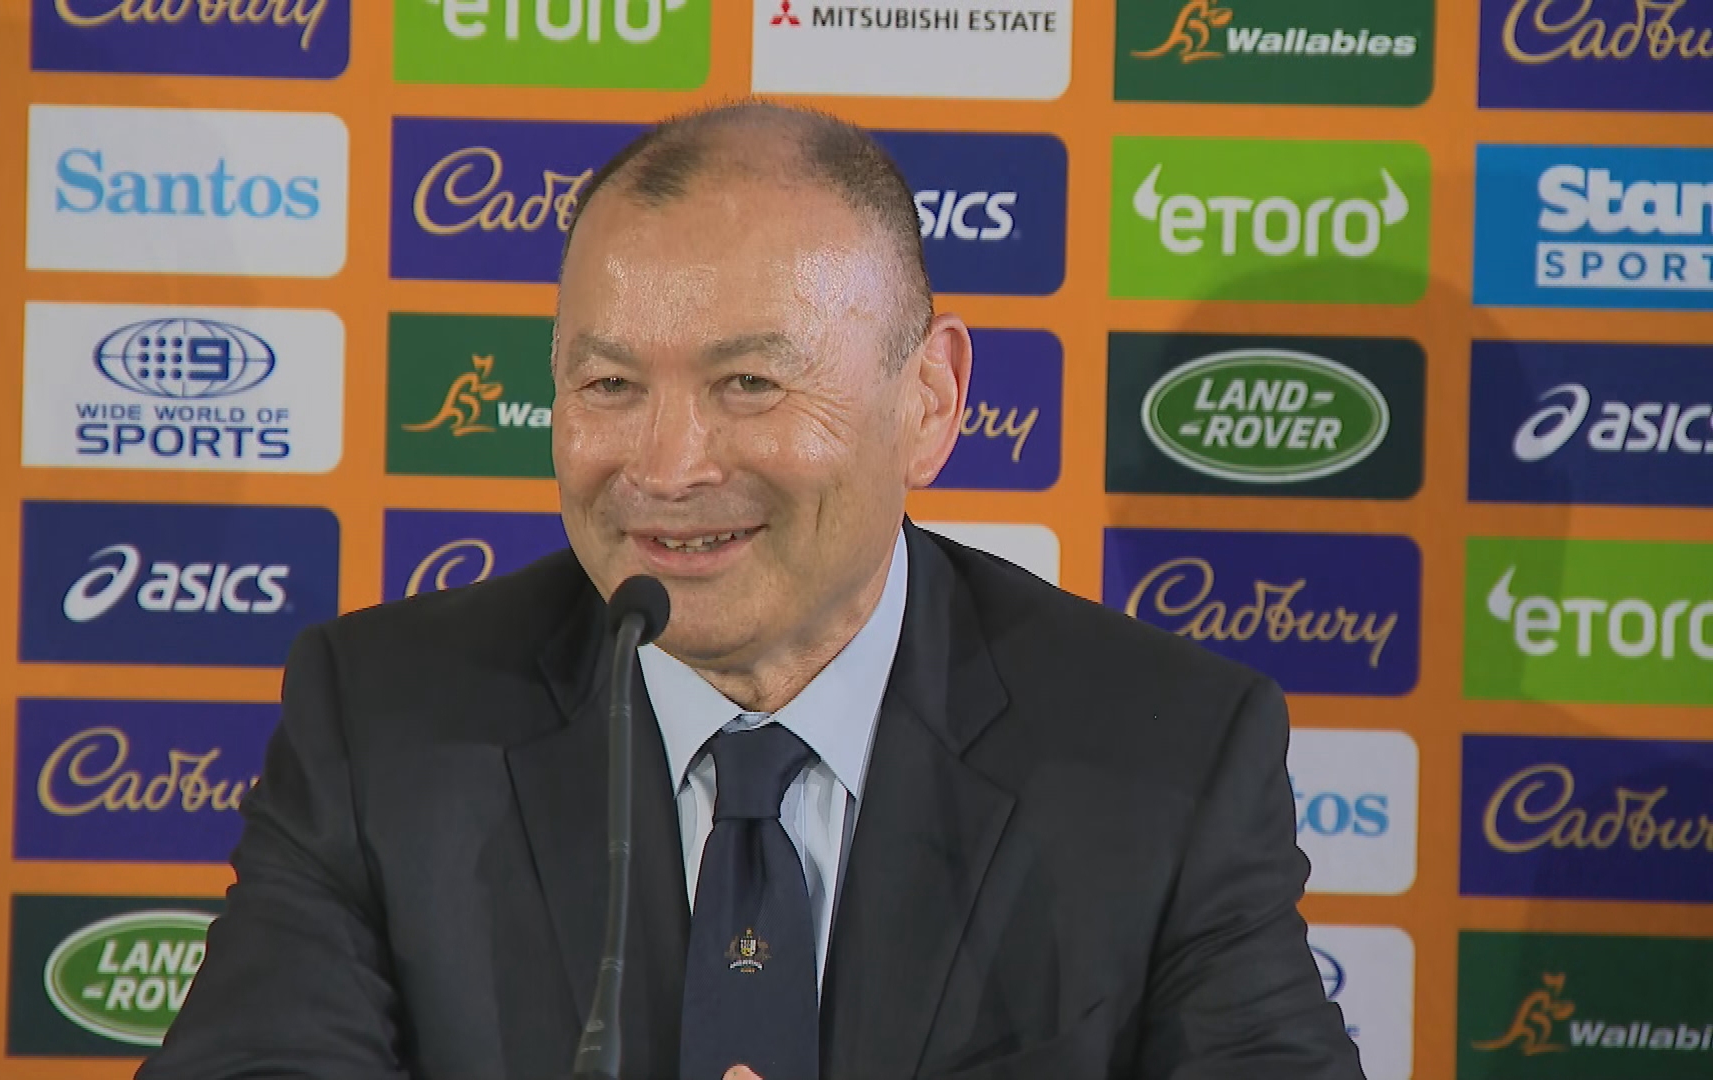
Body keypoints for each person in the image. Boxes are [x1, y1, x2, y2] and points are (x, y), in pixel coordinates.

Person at [139, 102, 1364, 1080]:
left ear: (929, 401)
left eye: (750, 386)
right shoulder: (384, 721)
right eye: (610, 386)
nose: (668, 468)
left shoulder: (1163, 752)